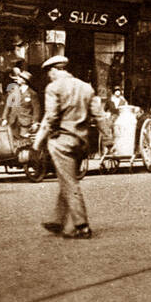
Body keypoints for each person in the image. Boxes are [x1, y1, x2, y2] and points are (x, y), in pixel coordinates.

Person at [33, 56, 96, 239]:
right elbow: (98, 115)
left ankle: (81, 225)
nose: (49, 77)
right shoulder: (86, 87)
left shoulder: (53, 87)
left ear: (53, 70)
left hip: (62, 141)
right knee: (66, 177)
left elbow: (51, 117)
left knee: (69, 182)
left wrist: (38, 142)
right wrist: (107, 140)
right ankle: (58, 220)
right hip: (81, 142)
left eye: (49, 74)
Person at [2, 68, 41, 147]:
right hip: (13, 121)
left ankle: (23, 158)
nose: (17, 80)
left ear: (24, 80)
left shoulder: (32, 94)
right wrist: (4, 118)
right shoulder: (13, 91)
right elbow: (8, 105)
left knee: (25, 143)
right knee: (12, 142)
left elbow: (36, 109)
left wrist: (35, 122)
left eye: (19, 78)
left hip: (25, 122)